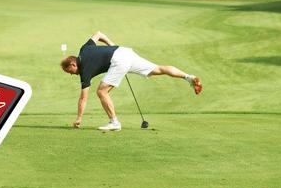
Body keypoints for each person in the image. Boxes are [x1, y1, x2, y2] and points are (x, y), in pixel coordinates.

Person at [61, 31, 202, 131]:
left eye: (70, 71)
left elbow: (83, 98)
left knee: (101, 91)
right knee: (158, 69)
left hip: (118, 60)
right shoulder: (84, 49)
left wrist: (79, 118)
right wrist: (112, 45)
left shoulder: (84, 71)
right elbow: (98, 34)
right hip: (124, 52)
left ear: (73, 64)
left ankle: (114, 122)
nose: (71, 74)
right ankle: (188, 77)